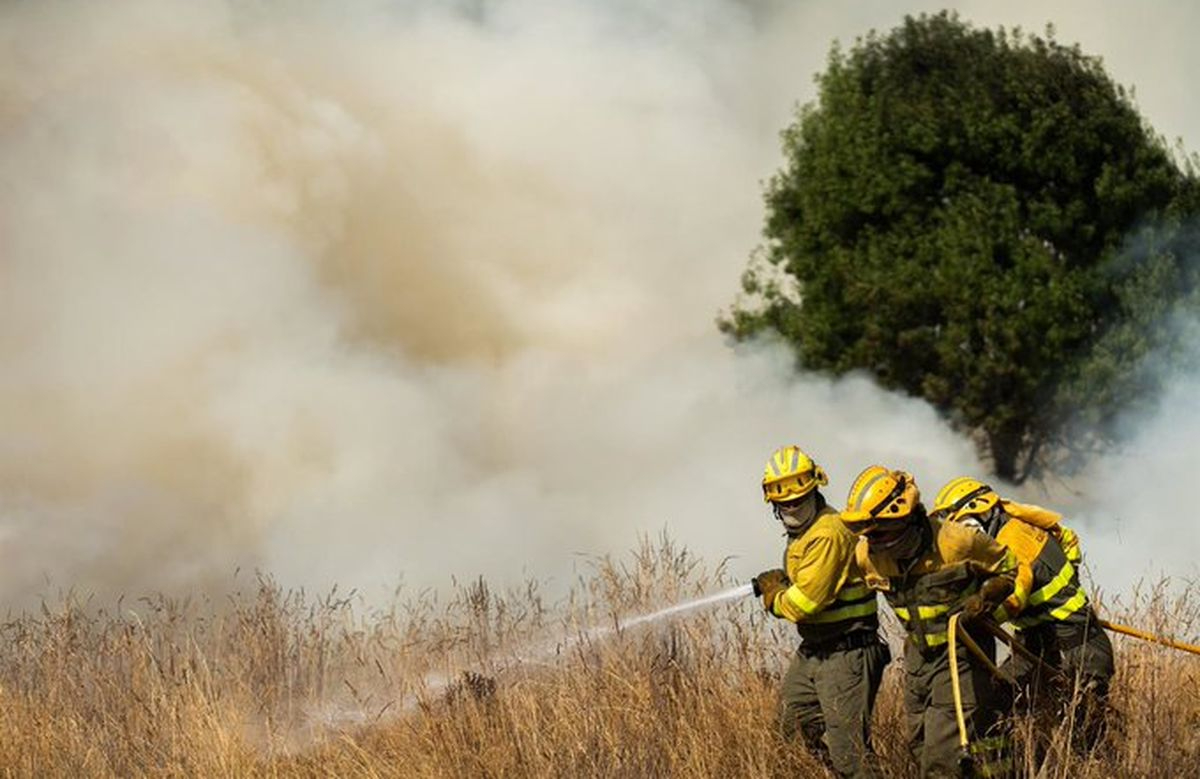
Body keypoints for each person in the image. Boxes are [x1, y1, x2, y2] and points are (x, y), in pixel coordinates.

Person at [841, 466, 1017, 778]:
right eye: (867, 533)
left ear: (905, 516)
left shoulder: (954, 541)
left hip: (962, 652)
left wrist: (987, 597)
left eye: (880, 531)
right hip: (918, 658)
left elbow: (1008, 567)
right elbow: (838, 578)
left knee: (941, 756)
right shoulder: (867, 555)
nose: (874, 540)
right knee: (920, 745)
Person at [931, 477, 1115, 751]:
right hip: (1037, 641)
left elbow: (1015, 597)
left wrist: (981, 618)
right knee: (1000, 697)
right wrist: (1067, 575)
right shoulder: (1018, 522)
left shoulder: (1013, 540)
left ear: (981, 511)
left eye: (963, 525)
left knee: (1081, 733)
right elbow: (1068, 538)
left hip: (1076, 646)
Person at [752, 446, 889, 779]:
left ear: (815, 488)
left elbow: (804, 605)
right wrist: (786, 582)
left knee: (851, 757)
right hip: (815, 651)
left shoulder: (827, 533)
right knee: (790, 735)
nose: (791, 506)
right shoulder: (803, 533)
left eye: (798, 498)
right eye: (783, 502)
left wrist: (773, 594)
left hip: (847, 652)